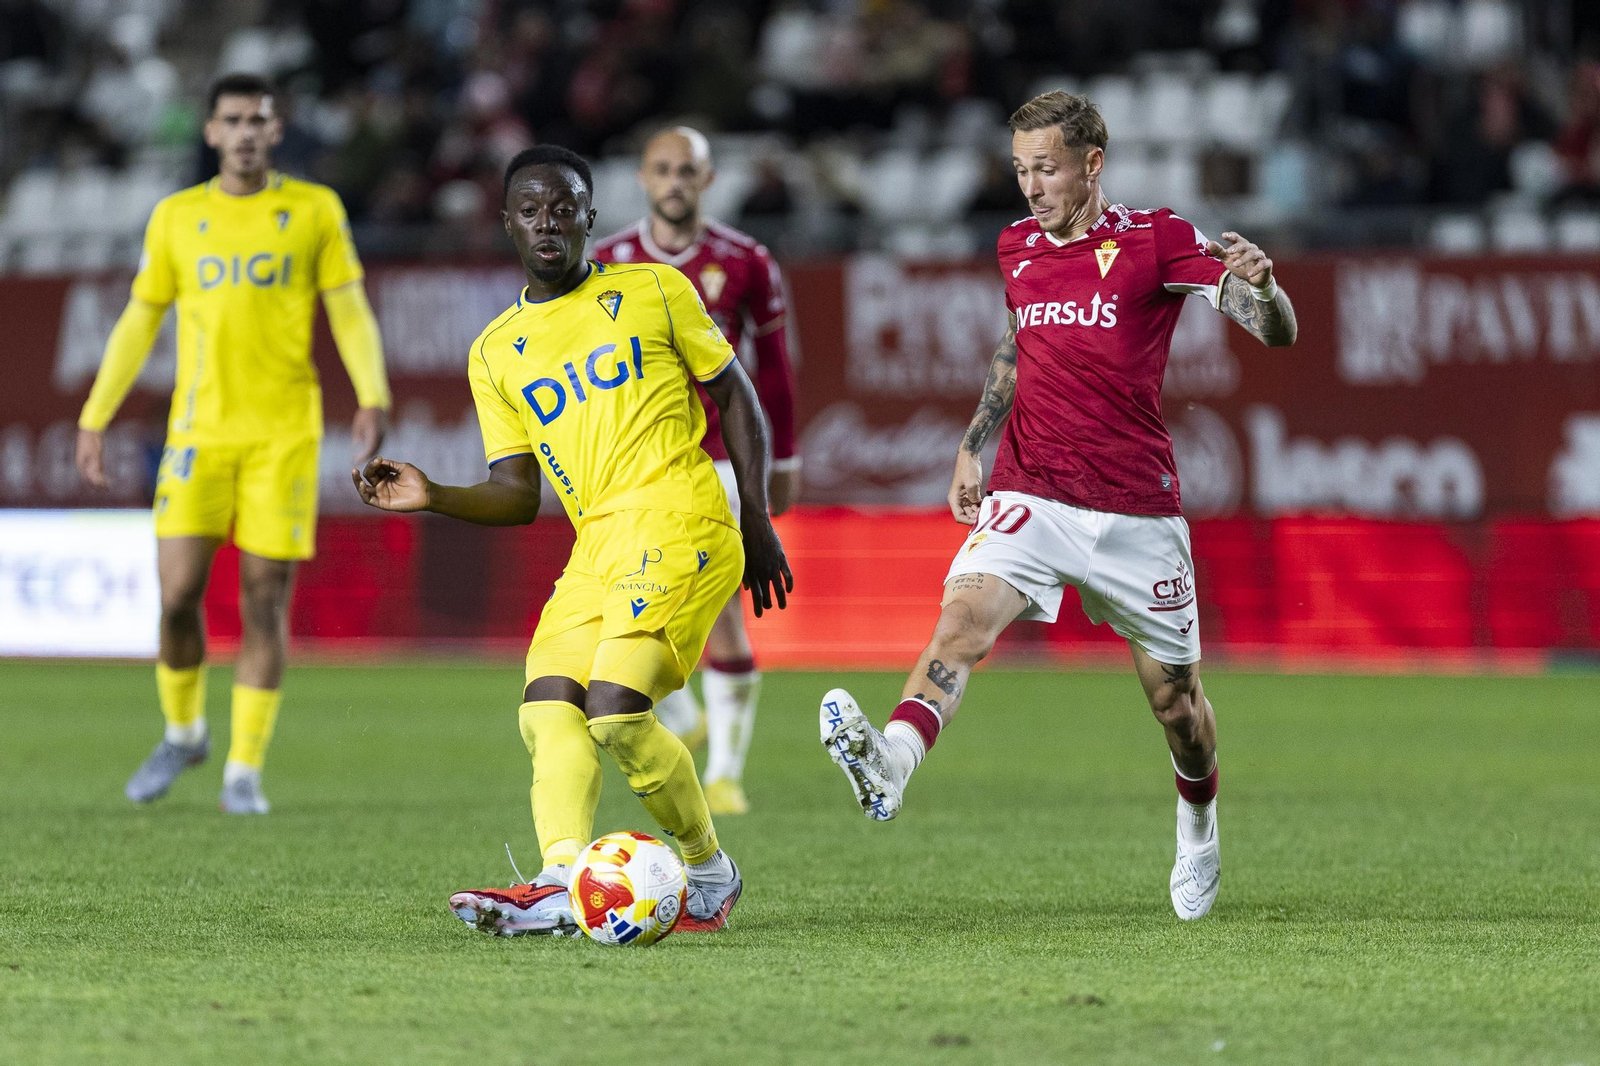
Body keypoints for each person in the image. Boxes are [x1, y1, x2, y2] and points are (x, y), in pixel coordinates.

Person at [819, 90, 1298, 921]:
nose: (1031, 188)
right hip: (1032, 493)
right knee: (961, 625)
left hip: (1137, 512)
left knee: (1178, 707)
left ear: (1092, 165)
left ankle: (1198, 825)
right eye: (1019, 170)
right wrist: (976, 441)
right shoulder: (1017, 249)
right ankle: (891, 762)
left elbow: (1271, 329)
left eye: (1045, 169)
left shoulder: (1155, 241)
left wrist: (1268, 288)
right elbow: (1019, 342)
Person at [353, 145, 792, 936]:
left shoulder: (655, 290)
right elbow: (518, 497)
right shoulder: (493, 352)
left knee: (617, 714)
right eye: (530, 209)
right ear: (508, 224)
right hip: (595, 546)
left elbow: (737, 394)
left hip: (681, 517)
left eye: (564, 207)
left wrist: (755, 517)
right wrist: (433, 496)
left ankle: (708, 870)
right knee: (550, 710)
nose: (547, 222)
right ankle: (560, 880)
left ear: (591, 216)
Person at [77, 74, 391, 815]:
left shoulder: (313, 210)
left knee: (263, 598)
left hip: (282, 433)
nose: (246, 131)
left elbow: (349, 312)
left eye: (259, 119)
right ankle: (184, 732)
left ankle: (243, 772)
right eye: (232, 120)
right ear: (211, 132)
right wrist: (96, 414)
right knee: (178, 595)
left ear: (276, 130)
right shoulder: (178, 217)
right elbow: (138, 319)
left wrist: (372, 396)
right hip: (198, 432)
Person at [592, 126, 800, 816]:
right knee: (632, 606)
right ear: (643, 178)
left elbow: (772, 373)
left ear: (707, 180)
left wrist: (784, 460)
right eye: (663, 169)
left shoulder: (745, 260)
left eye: (688, 170)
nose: (675, 181)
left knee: (727, 616)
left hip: (717, 462)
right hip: (639, 465)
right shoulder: (608, 262)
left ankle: (726, 773)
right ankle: (685, 719)